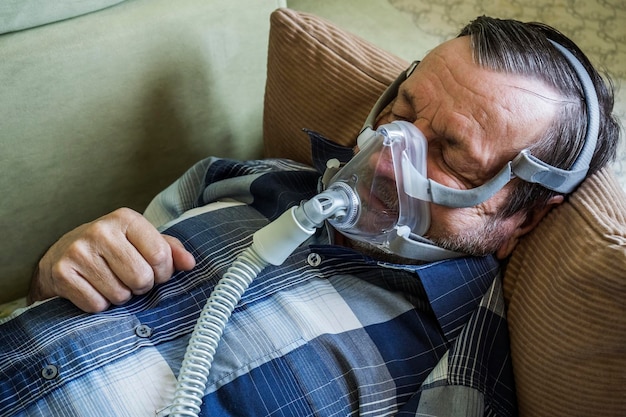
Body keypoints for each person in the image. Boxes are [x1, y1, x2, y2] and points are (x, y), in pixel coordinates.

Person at [1, 16, 620, 417]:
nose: (385, 159)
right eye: (400, 113)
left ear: (526, 217)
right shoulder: (241, 179)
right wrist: (60, 273)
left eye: (450, 155)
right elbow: (65, 289)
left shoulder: (459, 376)